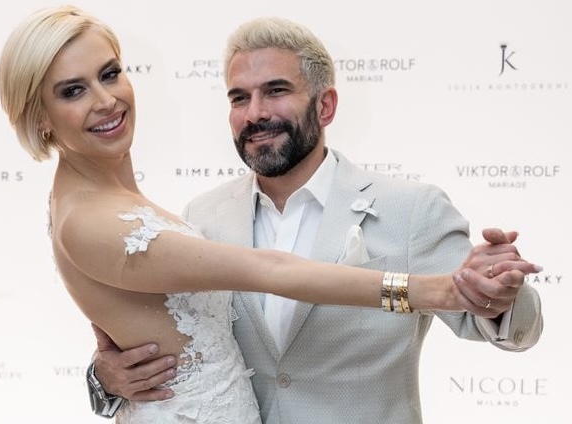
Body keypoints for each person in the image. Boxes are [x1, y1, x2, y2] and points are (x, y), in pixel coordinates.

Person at [86, 15, 545, 424]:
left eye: (276, 91)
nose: (255, 113)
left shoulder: (411, 209)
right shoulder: (200, 218)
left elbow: (510, 327)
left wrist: (500, 295)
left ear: (325, 106)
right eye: (239, 98)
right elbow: (171, 349)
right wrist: (104, 379)